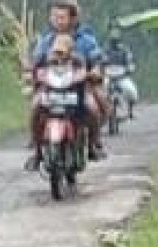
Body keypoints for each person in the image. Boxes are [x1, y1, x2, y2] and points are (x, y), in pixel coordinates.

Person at [26, 0, 107, 170]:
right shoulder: (46, 41)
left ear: (72, 18)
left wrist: (96, 70)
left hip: (78, 87)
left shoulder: (85, 40)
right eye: (54, 16)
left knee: (92, 107)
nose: (57, 20)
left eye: (62, 17)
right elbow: (36, 62)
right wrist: (30, 73)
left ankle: (93, 144)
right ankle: (37, 150)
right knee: (35, 107)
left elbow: (96, 59)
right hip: (51, 87)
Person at [104, 29, 139, 119]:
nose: (114, 42)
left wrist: (130, 68)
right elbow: (100, 60)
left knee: (132, 92)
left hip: (122, 76)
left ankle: (130, 110)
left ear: (119, 40)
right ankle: (102, 111)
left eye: (116, 40)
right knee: (102, 91)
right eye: (112, 40)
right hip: (108, 75)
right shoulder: (105, 50)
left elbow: (130, 61)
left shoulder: (125, 50)